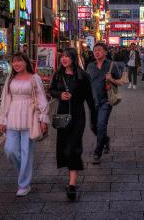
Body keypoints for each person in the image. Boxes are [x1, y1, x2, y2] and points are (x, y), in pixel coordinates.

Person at [0, 53, 49, 196]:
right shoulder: (10, 79)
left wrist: (43, 118)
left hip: (30, 117)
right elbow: (5, 100)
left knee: (27, 152)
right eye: (14, 62)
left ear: (26, 62)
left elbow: (41, 98)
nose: (16, 64)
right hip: (12, 116)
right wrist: (2, 118)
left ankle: (24, 185)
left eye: (19, 61)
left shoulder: (34, 78)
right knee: (10, 150)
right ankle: (24, 175)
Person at [49, 48, 96, 201]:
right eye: (62, 56)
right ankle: (71, 176)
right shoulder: (58, 74)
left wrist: (94, 119)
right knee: (64, 148)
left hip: (77, 115)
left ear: (74, 58)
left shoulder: (83, 76)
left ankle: (72, 184)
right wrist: (59, 95)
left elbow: (90, 99)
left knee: (73, 148)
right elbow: (51, 90)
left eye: (68, 56)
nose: (64, 59)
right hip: (62, 114)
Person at [86, 42, 121, 164]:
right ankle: (105, 140)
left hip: (106, 101)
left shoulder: (112, 65)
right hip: (92, 101)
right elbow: (86, 83)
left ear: (105, 52)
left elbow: (120, 81)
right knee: (93, 126)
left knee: (101, 125)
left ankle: (97, 152)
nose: (97, 52)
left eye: (100, 50)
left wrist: (111, 79)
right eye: (95, 50)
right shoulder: (90, 66)